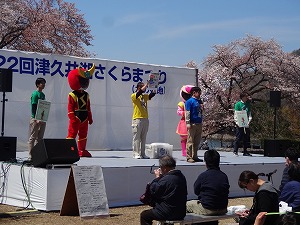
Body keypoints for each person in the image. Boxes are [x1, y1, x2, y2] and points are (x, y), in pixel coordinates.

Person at [140, 155, 187, 225]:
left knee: (144, 215)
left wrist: (157, 178)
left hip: (167, 212)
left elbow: (154, 191)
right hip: (180, 212)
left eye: (160, 167)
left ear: (165, 168)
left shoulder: (166, 179)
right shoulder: (181, 176)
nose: (160, 169)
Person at [186, 150, 230, 216]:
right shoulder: (224, 176)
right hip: (223, 209)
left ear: (206, 163)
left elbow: (196, 191)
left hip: (207, 208)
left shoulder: (203, 176)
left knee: (187, 205)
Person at [66, 65, 95, 157]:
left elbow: (88, 107)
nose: (85, 83)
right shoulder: (72, 95)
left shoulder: (87, 95)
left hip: (84, 116)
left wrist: (90, 118)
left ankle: (82, 149)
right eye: (82, 80)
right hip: (76, 116)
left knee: (83, 134)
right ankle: (69, 149)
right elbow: (70, 108)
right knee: (72, 134)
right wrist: (72, 117)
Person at [131, 81, 156, 159]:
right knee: (137, 137)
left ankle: (142, 153)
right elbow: (139, 92)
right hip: (137, 119)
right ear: (139, 87)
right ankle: (136, 153)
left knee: (143, 137)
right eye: (143, 86)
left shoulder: (144, 96)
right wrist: (147, 84)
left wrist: (154, 87)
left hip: (145, 119)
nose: (145, 88)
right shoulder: (134, 96)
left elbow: (151, 95)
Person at [28, 77, 47, 159]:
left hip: (42, 118)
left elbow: (43, 107)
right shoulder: (35, 94)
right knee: (33, 137)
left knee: (40, 138)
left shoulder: (43, 95)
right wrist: (36, 118)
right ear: (38, 84)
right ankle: (30, 155)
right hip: (35, 118)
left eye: (44, 83)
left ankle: (38, 155)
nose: (44, 85)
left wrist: (43, 117)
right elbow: (34, 107)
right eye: (42, 83)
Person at [185, 86, 204, 163]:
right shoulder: (189, 101)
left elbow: (202, 112)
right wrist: (188, 123)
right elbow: (188, 112)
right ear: (194, 93)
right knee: (190, 141)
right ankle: (189, 156)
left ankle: (195, 156)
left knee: (197, 141)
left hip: (199, 123)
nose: (200, 94)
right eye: (198, 92)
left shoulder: (200, 101)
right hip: (192, 123)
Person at [176, 85, 194, 157]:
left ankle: (190, 152)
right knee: (184, 138)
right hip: (184, 123)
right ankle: (184, 151)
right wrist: (185, 113)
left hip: (192, 122)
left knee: (191, 138)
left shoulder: (193, 103)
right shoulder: (181, 104)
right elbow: (178, 112)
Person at [233, 91, 253, 156]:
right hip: (239, 123)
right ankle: (235, 150)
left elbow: (249, 113)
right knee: (238, 136)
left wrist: (249, 120)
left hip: (246, 122)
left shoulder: (248, 104)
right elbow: (236, 114)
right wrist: (237, 122)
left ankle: (245, 151)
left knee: (246, 137)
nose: (246, 98)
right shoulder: (238, 104)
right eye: (245, 97)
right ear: (242, 97)